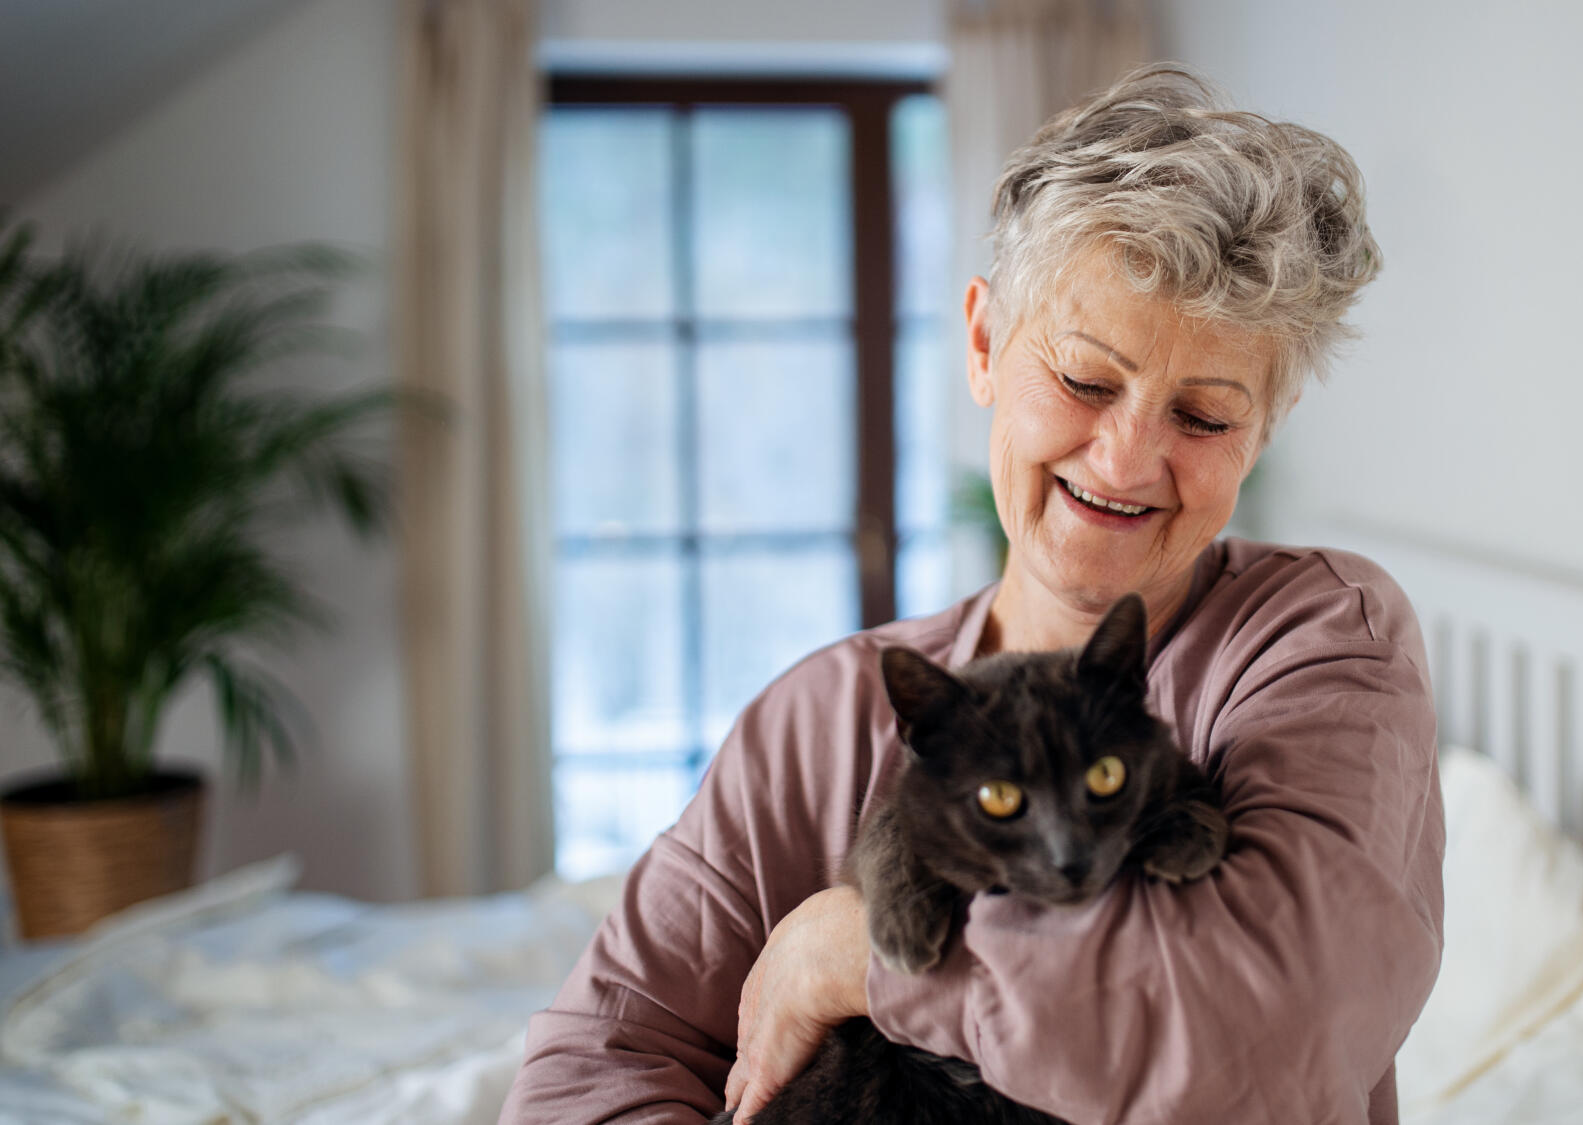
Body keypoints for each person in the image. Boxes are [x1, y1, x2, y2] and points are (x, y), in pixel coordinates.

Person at [501, 62, 1443, 1125]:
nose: (1127, 461)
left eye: (1206, 416)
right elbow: (594, 1064)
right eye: (1085, 382)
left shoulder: (1319, 645)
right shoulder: (822, 719)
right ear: (985, 342)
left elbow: (1261, 1036)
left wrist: (859, 955)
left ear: (1261, 431)